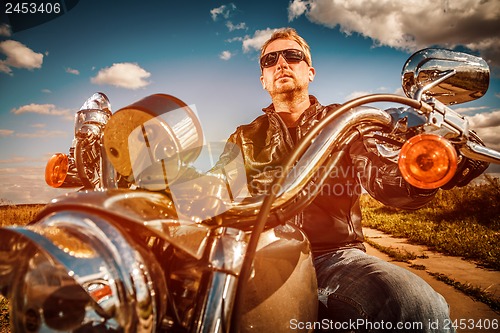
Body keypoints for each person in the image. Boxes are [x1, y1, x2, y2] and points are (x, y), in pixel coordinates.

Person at [215, 28, 487, 332]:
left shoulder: (345, 123)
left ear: (310, 71)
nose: (281, 63)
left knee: (413, 303)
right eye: (270, 59)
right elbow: (215, 191)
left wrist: (424, 171)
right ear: (263, 78)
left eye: (292, 55)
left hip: (335, 257)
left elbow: (382, 180)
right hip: (261, 256)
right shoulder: (243, 137)